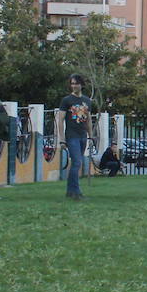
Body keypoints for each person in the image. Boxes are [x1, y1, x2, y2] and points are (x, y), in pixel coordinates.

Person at [54, 73, 95, 201]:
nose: (74, 86)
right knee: (77, 162)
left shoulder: (87, 101)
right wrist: (61, 139)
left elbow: (88, 120)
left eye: (76, 83)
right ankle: (77, 192)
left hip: (82, 135)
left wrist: (91, 135)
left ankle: (70, 191)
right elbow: (60, 120)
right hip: (72, 136)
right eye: (72, 83)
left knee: (77, 163)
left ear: (81, 84)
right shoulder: (67, 100)